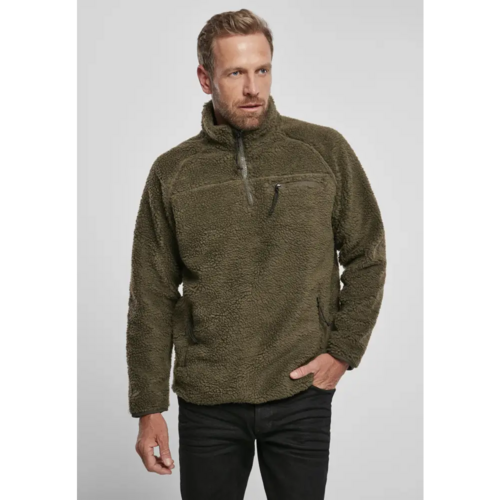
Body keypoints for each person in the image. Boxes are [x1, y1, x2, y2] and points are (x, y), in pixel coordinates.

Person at [126, 8, 387, 500]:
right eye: (235, 73)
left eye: (262, 70)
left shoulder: (324, 151)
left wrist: (343, 352)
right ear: (206, 78)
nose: (252, 88)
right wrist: (149, 405)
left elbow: (367, 254)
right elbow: (151, 294)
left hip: (300, 392)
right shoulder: (173, 172)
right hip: (208, 400)